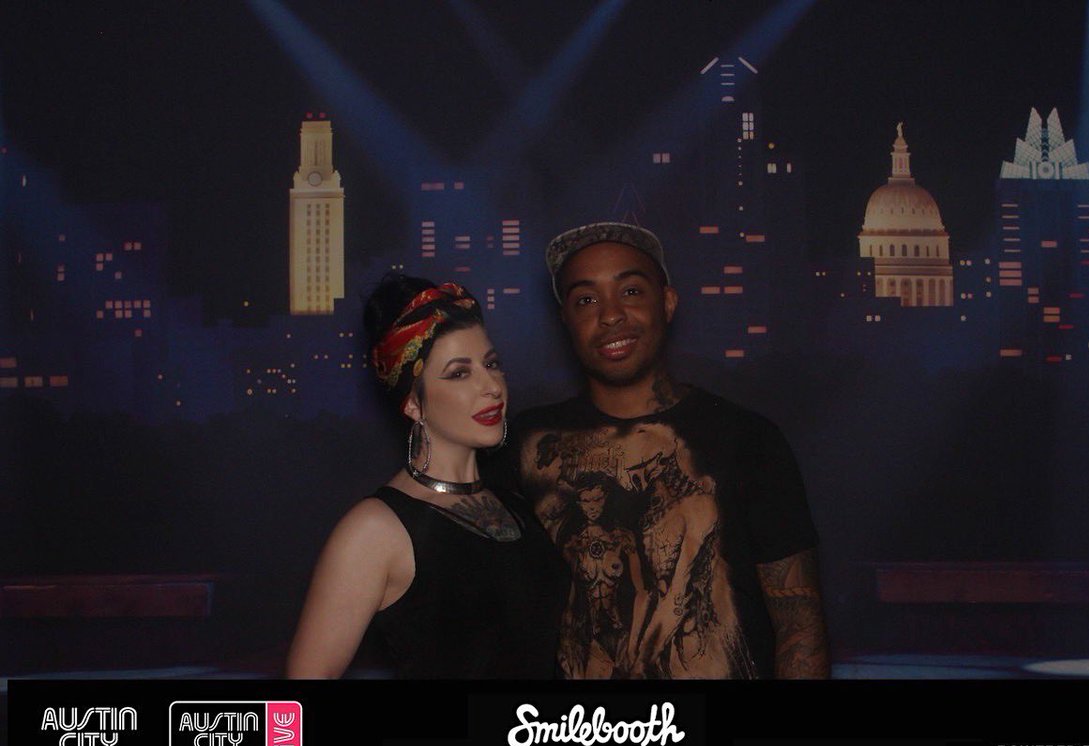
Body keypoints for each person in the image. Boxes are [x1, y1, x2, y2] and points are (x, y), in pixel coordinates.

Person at [497, 222, 830, 679]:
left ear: (668, 302)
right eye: (586, 300)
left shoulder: (747, 439)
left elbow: (799, 623)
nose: (610, 315)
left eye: (631, 291)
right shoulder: (529, 445)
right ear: (565, 322)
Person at [286, 275, 564, 679]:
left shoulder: (516, 504)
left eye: (491, 364)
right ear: (413, 403)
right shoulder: (376, 530)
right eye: (459, 373)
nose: (491, 386)